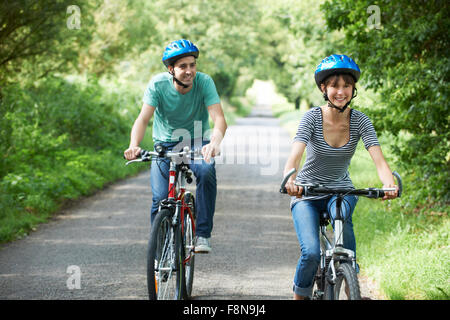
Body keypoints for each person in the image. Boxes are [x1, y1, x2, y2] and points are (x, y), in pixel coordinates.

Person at [283, 54, 398, 299]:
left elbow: (379, 159)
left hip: (341, 191)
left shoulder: (360, 121)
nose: (341, 91)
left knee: (345, 245)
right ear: (324, 88)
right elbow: (294, 157)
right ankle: (300, 295)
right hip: (307, 194)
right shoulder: (312, 118)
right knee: (312, 253)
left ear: (353, 88)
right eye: (335, 85)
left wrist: (388, 183)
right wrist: (290, 179)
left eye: (347, 85)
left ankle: (350, 287)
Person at [124, 39, 227, 253]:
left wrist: (214, 144)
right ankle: (159, 249)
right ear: (171, 69)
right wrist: (134, 146)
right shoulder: (157, 85)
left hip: (197, 142)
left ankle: (202, 234)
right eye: (183, 66)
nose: (189, 71)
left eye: (192, 65)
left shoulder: (204, 82)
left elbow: (219, 119)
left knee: (207, 171)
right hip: (165, 144)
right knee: (160, 198)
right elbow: (143, 119)